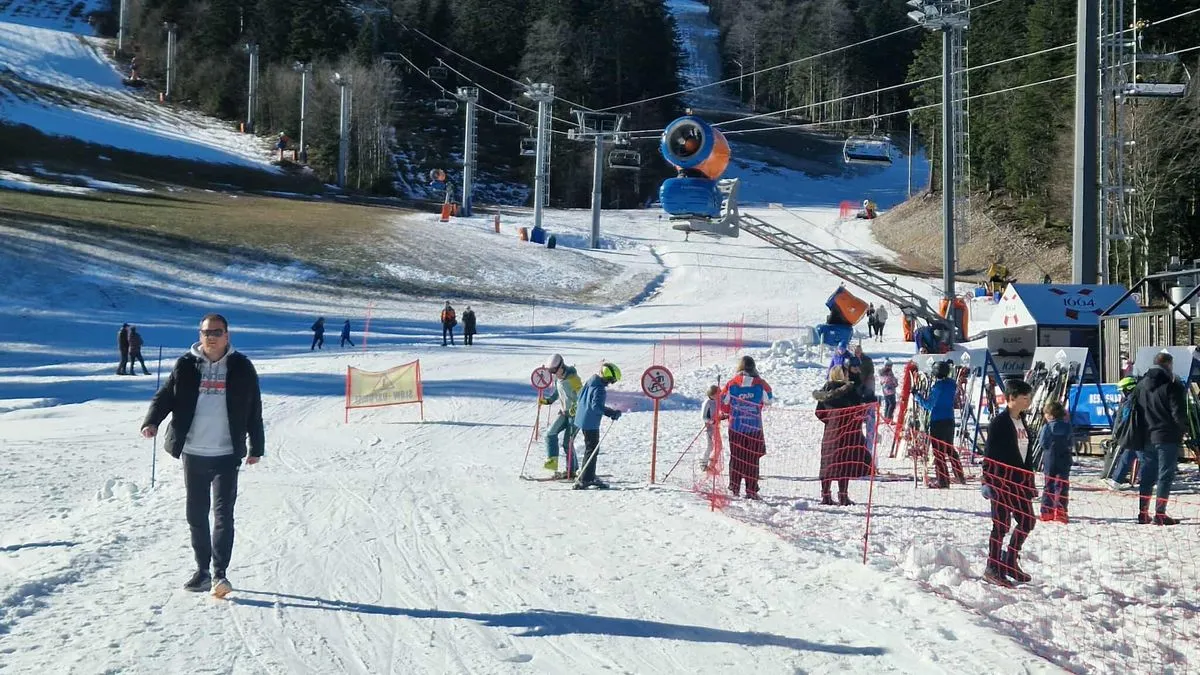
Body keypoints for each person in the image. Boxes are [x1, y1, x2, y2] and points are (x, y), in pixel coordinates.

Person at [140, 313, 264, 598]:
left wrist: (256, 446)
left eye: (217, 332)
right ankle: (203, 571)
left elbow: (254, 407)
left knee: (223, 515)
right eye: (206, 332)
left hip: (226, 452)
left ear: (227, 335)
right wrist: (152, 421)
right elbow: (166, 396)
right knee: (196, 514)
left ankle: (220, 574)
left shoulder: (242, 367)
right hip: (194, 451)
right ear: (200, 335)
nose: (211, 337)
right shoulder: (185, 365)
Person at [981, 378, 1036, 587]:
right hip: (1002, 482)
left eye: (1028, 398)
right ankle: (992, 566)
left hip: (1020, 482)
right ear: (1011, 399)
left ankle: (1010, 560)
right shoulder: (999, 423)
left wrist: (1029, 480)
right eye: (1024, 398)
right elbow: (990, 454)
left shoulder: (1023, 421)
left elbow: (1026, 454)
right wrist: (989, 480)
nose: (1027, 402)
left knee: (1027, 520)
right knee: (1001, 524)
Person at [1132, 351, 1188, 525]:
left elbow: (1135, 410)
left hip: (1146, 435)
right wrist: (1183, 430)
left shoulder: (1140, 385)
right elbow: (1177, 413)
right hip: (1166, 436)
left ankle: (1143, 513)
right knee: (1165, 475)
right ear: (1169, 365)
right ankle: (1160, 514)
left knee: (1147, 475)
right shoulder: (1172, 385)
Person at [813, 365, 870, 505]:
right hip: (847, 432)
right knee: (844, 464)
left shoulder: (825, 390)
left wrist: (830, 421)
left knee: (827, 463)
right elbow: (859, 411)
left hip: (830, 431)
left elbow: (819, 412)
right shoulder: (850, 391)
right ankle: (843, 496)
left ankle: (825, 495)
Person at [720, 356, 774, 500]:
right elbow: (769, 399)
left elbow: (723, 402)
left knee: (736, 457)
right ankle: (751, 489)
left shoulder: (732, 384)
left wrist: (728, 410)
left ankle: (734, 487)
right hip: (754, 427)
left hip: (736, 427)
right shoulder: (760, 384)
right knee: (752, 459)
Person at [573, 362, 623, 489]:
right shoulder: (599, 388)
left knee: (590, 448)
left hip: (582, 418)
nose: (610, 383)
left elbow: (580, 397)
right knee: (592, 449)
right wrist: (611, 413)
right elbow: (596, 406)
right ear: (607, 377)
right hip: (590, 422)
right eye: (611, 380)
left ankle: (588, 474)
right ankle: (586, 479)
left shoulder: (591, 382)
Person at [539, 354, 582, 478]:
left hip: (575, 415)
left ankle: (572, 470)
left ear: (561, 366)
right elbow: (558, 393)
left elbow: (581, 396)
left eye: (554, 371)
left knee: (567, 443)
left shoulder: (574, 378)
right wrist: (548, 401)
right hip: (564, 413)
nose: (553, 374)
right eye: (551, 372)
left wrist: (575, 408)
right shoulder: (558, 378)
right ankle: (552, 463)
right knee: (550, 434)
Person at [1038, 401, 1073, 523]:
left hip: (1050, 458)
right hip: (1064, 457)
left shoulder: (1046, 427)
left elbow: (1043, 443)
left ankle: (1046, 512)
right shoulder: (1067, 426)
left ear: (1051, 415)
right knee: (1062, 485)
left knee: (1049, 485)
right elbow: (1070, 442)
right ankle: (1061, 511)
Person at [1104, 376, 1142, 489]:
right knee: (1128, 456)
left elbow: (1125, 419)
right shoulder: (1139, 397)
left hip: (1137, 433)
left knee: (1143, 458)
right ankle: (1117, 480)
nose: (1121, 395)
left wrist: (1119, 432)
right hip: (1137, 433)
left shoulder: (1131, 401)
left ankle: (1150, 480)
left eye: (1122, 391)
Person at [699, 384, 727, 472]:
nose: (719, 396)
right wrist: (712, 421)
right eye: (717, 394)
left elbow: (717, 414)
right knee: (710, 446)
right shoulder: (707, 402)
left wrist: (723, 417)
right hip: (709, 428)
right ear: (711, 394)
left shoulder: (717, 402)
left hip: (716, 428)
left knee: (719, 446)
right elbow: (704, 417)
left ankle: (712, 464)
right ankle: (703, 464)